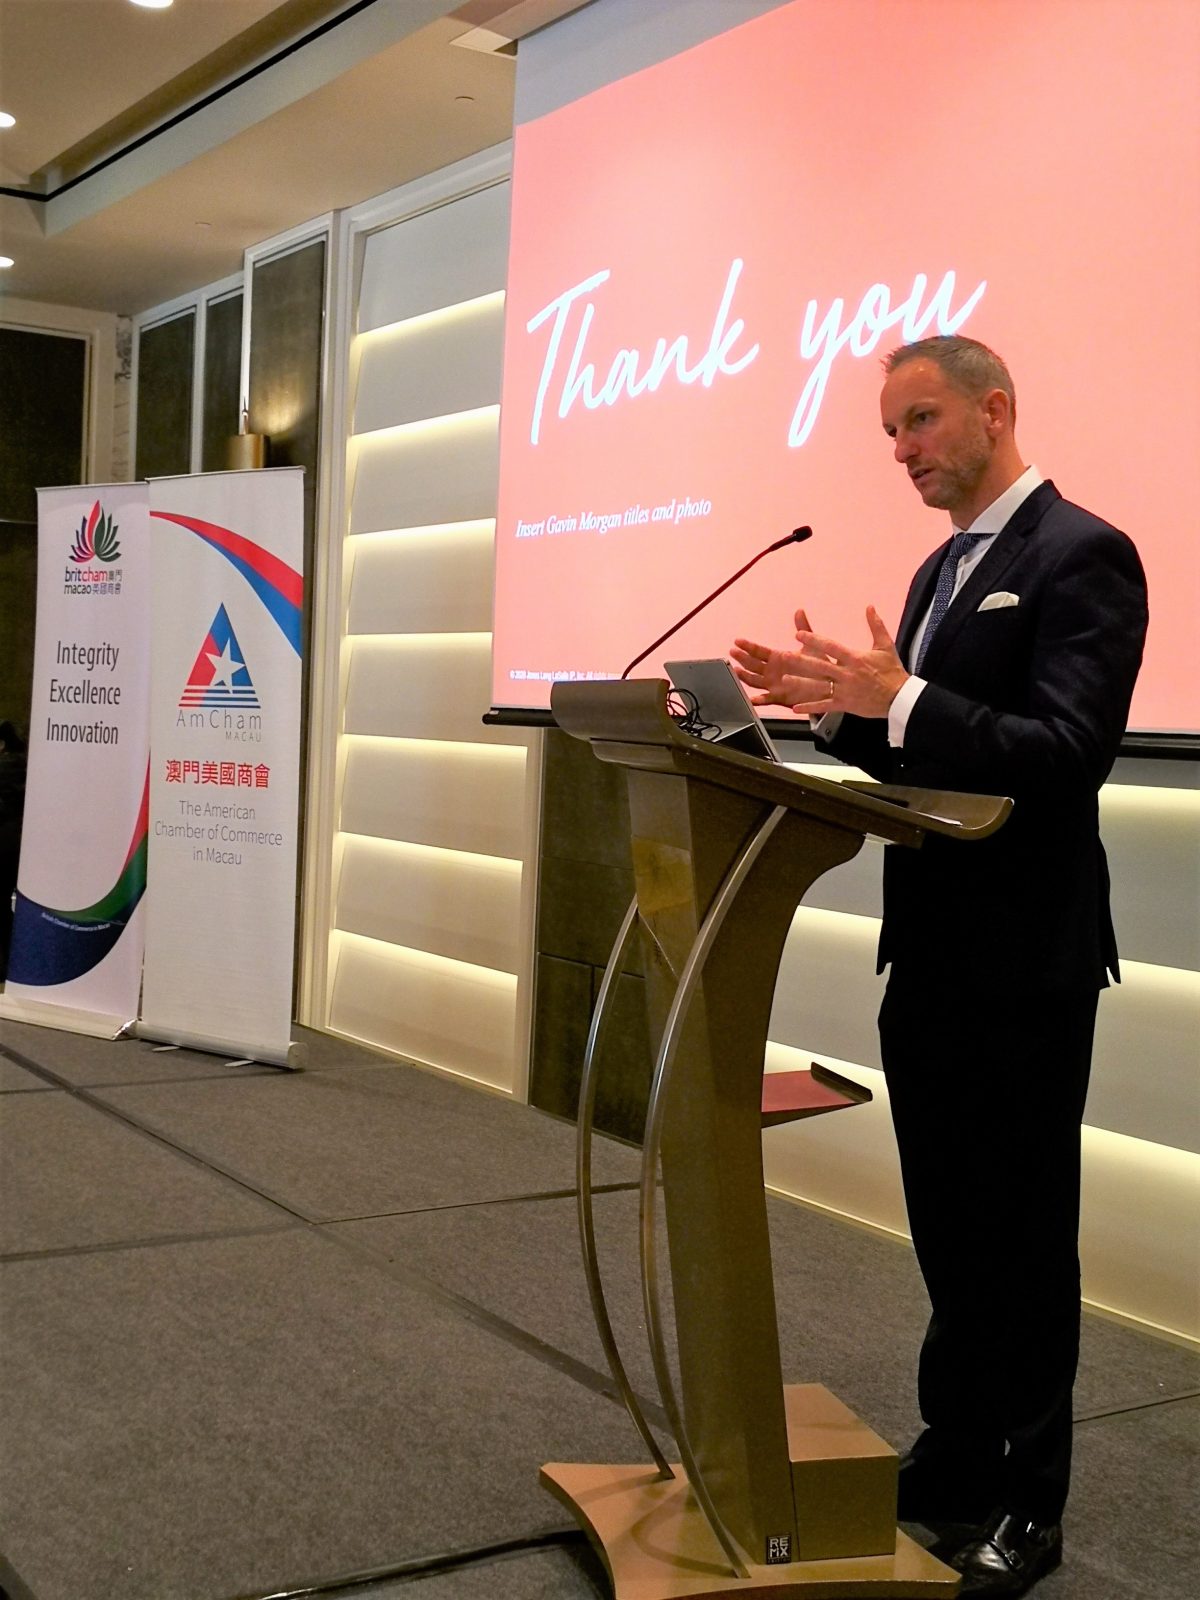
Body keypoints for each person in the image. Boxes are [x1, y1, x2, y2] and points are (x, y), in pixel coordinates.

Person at [730, 335, 1147, 1597]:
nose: (902, 451)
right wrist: (834, 711)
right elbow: (924, 756)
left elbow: (1067, 750)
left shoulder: (1083, 553)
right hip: (931, 952)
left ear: (994, 409)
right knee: (952, 1227)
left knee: (1025, 1233)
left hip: (1027, 960)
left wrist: (902, 699)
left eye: (919, 421)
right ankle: (958, 1451)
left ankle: (1030, 1496)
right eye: (890, 433)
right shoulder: (936, 571)